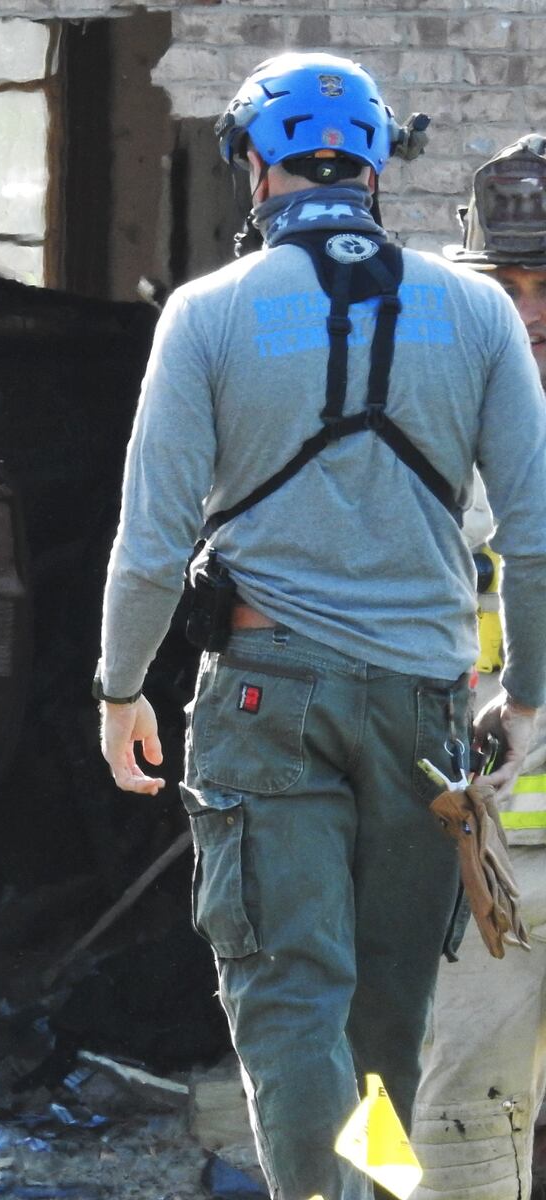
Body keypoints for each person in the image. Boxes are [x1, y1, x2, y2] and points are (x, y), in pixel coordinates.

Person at [94, 53, 546, 1200]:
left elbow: (150, 545)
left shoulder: (206, 316)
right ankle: (378, 1194)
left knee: (292, 998)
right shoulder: (480, 310)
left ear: (252, 160)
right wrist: (528, 692)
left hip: (263, 697)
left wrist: (117, 688)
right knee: (389, 1021)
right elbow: (531, 538)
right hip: (425, 711)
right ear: (383, 159)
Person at [410, 135, 546, 1200]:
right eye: (508, 281)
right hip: (487, 854)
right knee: (459, 1125)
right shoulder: (430, 427)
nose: (529, 309)